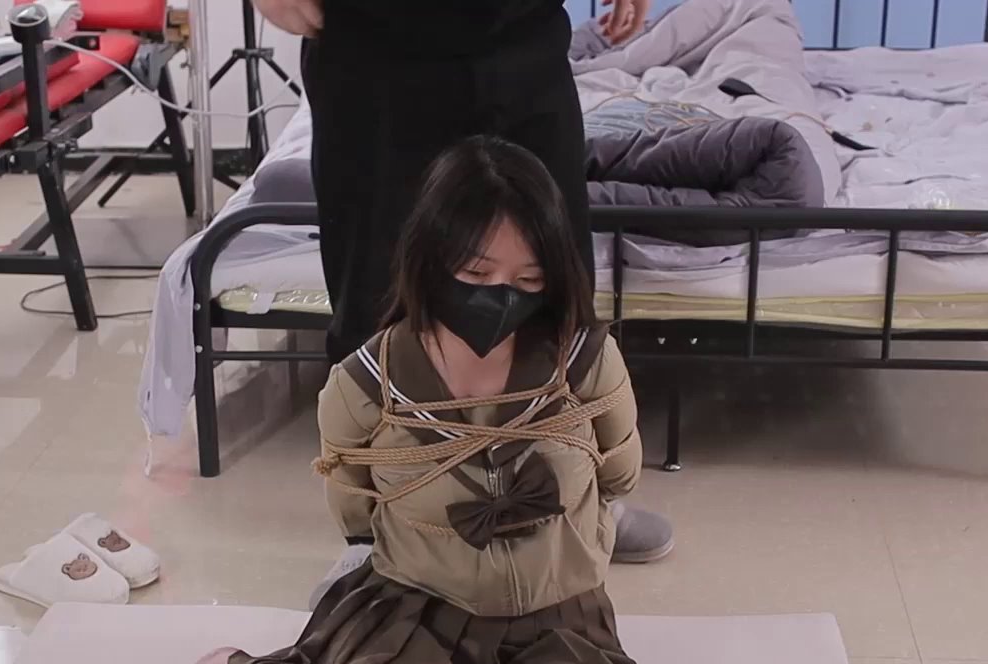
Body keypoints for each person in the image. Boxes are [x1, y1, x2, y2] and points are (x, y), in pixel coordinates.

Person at [122, 137, 674, 664]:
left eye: (529, 278)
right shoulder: (365, 384)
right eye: (477, 272)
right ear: (430, 257)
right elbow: (356, 517)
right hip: (416, 619)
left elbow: (619, 474)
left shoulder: (585, 360)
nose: (502, 295)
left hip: (554, 625)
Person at [256, 0, 676, 581]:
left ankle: (580, 494)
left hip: (522, 30)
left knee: (551, 262)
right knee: (377, 283)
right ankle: (369, 532)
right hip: (375, 42)